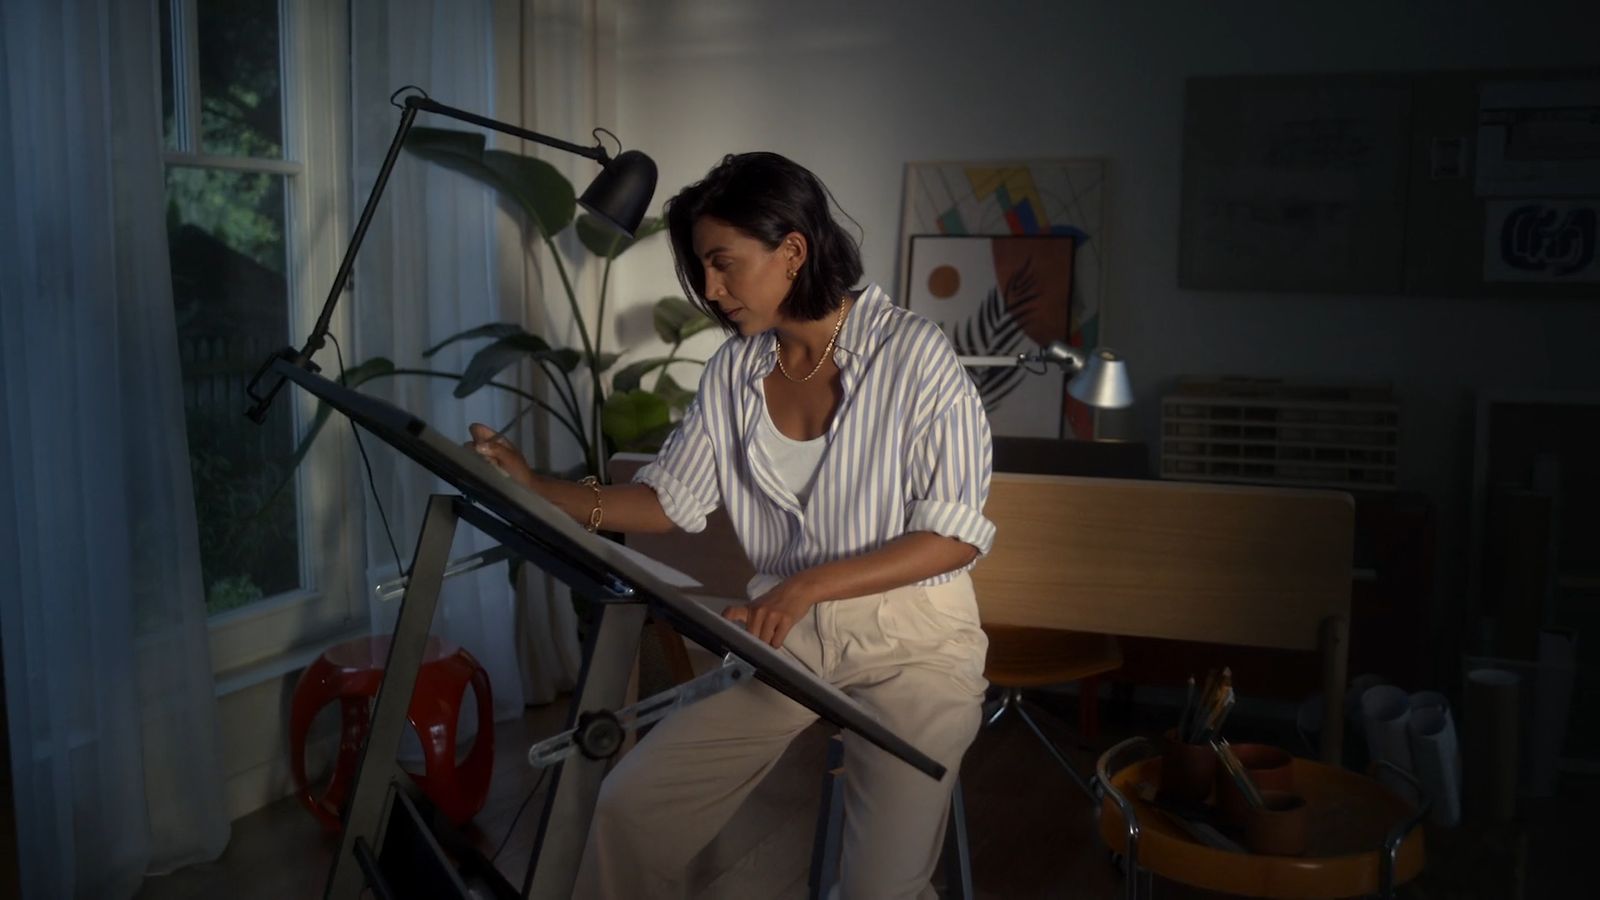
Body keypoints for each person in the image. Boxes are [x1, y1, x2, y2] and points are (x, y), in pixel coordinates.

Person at [469, 151, 994, 899]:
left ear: (792, 250)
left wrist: (805, 586)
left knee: (880, 891)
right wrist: (535, 488)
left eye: (723, 264)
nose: (711, 292)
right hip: (790, 640)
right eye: (701, 270)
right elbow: (668, 501)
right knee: (627, 811)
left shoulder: (914, 356)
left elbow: (954, 535)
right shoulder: (735, 373)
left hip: (915, 648)